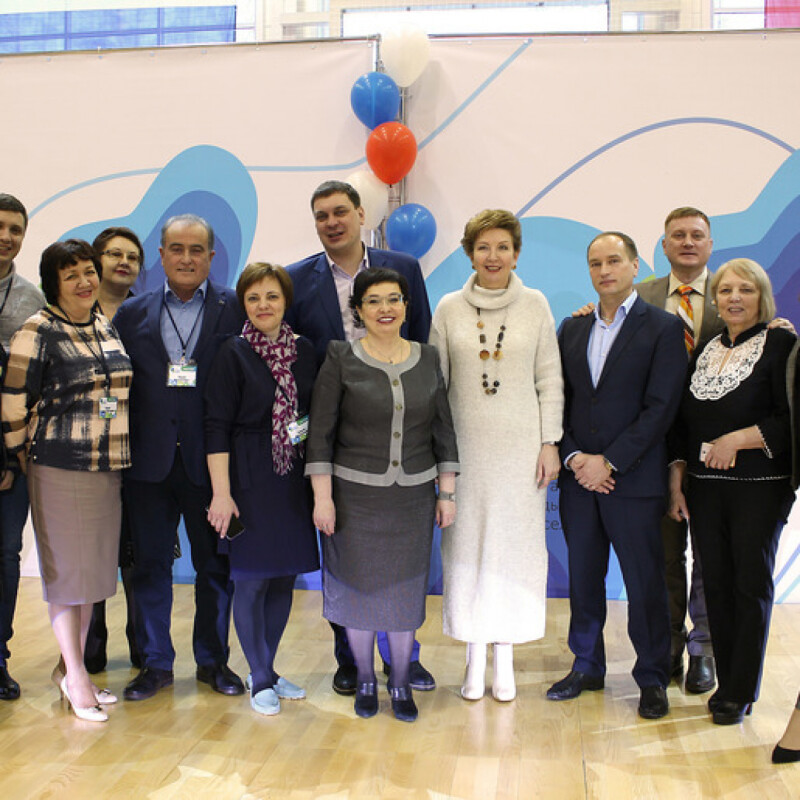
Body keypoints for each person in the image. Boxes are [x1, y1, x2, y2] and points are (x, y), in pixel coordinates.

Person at [285, 180, 436, 695]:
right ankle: (351, 660)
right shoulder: (296, 279)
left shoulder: (403, 268)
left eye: (340, 212)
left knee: (401, 563)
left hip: (399, 430)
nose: (332, 223)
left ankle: (403, 659)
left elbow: (422, 337)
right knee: (347, 557)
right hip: (337, 434)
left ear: (360, 214)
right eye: (321, 215)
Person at [306, 268, 458, 722]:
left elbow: (443, 429)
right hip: (353, 501)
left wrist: (447, 493)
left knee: (404, 596)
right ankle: (367, 679)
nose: (385, 309)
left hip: (411, 500)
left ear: (407, 306)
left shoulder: (428, 358)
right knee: (358, 594)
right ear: (358, 310)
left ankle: (400, 682)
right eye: (373, 301)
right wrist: (323, 498)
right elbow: (320, 434)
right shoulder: (340, 357)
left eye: (394, 299)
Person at [548, 231, 686, 720]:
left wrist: (609, 461)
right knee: (584, 580)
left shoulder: (663, 327)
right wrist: (574, 458)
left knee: (645, 584)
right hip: (579, 482)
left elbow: (661, 407)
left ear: (634, 266)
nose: (604, 270)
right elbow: (557, 400)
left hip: (633, 481)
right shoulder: (572, 328)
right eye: (595, 263)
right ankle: (587, 665)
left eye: (613, 261)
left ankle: (652, 677)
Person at [429, 209, 563, 702]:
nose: (493, 256)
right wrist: (440, 456)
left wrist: (550, 441)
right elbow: (436, 387)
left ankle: (504, 658)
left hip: (522, 454)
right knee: (467, 552)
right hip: (465, 454)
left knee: (513, 552)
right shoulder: (448, 309)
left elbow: (550, 379)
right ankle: (473, 655)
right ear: (470, 254)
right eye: (483, 247)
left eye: (503, 247)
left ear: (516, 253)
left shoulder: (536, 304)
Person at [114, 214, 246, 702]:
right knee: (150, 567)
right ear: (162, 255)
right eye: (176, 248)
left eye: (196, 250)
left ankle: (213, 662)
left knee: (215, 568)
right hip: (147, 466)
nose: (186, 258)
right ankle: (155, 664)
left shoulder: (236, 309)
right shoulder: (131, 314)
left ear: (211, 256)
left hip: (210, 464)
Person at [2, 239, 132, 722]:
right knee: (66, 578)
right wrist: (23, 453)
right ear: (53, 283)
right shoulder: (37, 330)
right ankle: (76, 677)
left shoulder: (103, 325)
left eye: (88, 271)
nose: (84, 281)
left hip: (107, 465)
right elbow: (12, 402)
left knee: (92, 577)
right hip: (59, 466)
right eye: (71, 274)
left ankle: (68, 668)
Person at [668, 258, 795, 725]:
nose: (735, 298)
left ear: (763, 296)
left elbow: (789, 417)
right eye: (725, 290)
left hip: (758, 488)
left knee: (749, 585)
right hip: (704, 488)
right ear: (715, 300)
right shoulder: (706, 347)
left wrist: (738, 440)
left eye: (746, 289)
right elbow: (684, 422)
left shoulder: (782, 344)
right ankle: (726, 682)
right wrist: (677, 479)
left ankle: (741, 690)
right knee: (716, 585)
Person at [205, 262, 319, 716]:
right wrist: (221, 493)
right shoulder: (232, 352)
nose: (263, 305)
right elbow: (215, 426)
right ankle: (260, 676)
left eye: (271, 296)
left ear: (286, 300)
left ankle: (265, 670)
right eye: (253, 298)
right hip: (247, 479)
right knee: (250, 582)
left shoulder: (304, 350)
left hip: (291, 477)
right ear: (243, 304)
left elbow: (312, 414)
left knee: (283, 579)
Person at [84, 226, 145, 674]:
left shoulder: (148, 314)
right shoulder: (73, 314)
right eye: (114, 254)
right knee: (91, 552)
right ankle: (90, 644)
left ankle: (144, 645)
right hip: (86, 454)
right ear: (96, 260)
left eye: (132, 257)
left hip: (139, 449)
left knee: (138, 553)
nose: (124, 262)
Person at [0, 193, 45, 701]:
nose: (6, 236)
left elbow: (33, 390)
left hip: (11, 455)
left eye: (15, 229)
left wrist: (10, 455)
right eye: (0, 226)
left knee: (6, 556)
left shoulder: (32, 301)